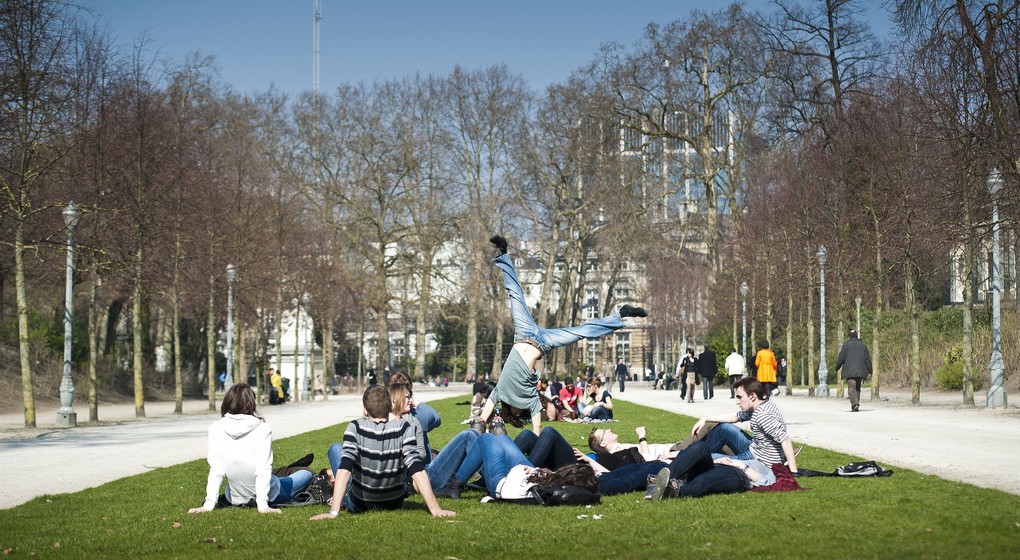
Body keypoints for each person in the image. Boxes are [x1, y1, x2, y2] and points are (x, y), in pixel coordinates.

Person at [474, 235, 647, 434]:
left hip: (523, 333)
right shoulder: (530, 400)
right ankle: (622, 315)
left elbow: (484, 413)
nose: (521, 413)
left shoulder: (501, 393)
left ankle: (503, 252)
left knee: (515, 294)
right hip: (543, 343)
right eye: (522, 414)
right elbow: (537, 424)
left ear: (510, 413)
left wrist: (480, 425)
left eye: (519, 414)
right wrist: (536, 443)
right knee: (582, 332)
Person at [309, 385, 455, 520]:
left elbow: (345, 470)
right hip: (394, 502)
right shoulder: (404, 428)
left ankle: (334, 494)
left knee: (335, 449)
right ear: (389, 407)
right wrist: (435, 509)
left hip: (360, 504)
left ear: (365, 410)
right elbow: (417, 469)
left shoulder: (355, 427)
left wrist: (333, 512)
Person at [188, 384, 313, 514]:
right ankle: (283, 472)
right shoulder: (263, 428)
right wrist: (263, 505)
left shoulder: (216, 428)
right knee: (306, 473)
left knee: (268, 475)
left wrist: (208, 504)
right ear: (251, 403)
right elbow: (263, 468)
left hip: (234, 496)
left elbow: (216, 470)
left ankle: (280, 472)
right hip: (270, 493)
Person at [435, 433, 598, 500]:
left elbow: (514, 488)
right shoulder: (556, 483)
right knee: (503, 438)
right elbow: (541, 478)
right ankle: (486, 466)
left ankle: (455, 485)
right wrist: (532, 470)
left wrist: (518, 470)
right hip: (529, 475)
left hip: (504, 482)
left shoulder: (551, 489)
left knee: (486, 438)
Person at [690, 377, 800, 475]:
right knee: (723, 428)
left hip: (759, 460)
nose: (737, 402)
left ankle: (690, 454)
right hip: (755, 447)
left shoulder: (763, 415)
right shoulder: (761, 402)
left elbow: (785, 440)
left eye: (739, 397)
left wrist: (793, 471)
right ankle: (692, 451)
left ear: (752, 396)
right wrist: (705, 419)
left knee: (706, 459)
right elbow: (735, 417)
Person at [835, 329, 872, 412]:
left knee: (851, 387)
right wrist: (870, 370)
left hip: (849, 371)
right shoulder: (863, 345)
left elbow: (841, 358)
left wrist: (837, 367)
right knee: (858, 387)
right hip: (860, 370)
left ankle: (854, 404)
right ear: (856, 336)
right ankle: (856, 403)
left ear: (849, 337)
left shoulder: (846, 345)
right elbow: (867, 359)